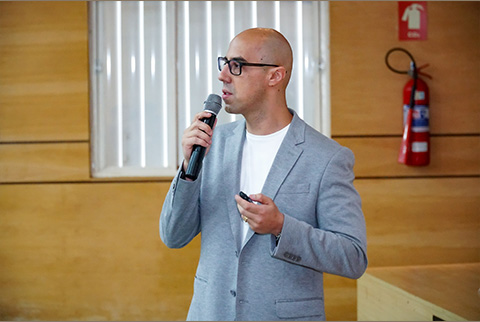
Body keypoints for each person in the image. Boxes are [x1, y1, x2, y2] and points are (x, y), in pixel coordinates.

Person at [160, 27, 367, 321]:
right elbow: (173, 235)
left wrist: (282, 227)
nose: (223, 76)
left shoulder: (327, 158)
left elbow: (353, 257)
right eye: (225, 63)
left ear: (275, 76)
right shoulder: (212, 144)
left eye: (238, 66)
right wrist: (187, 172)